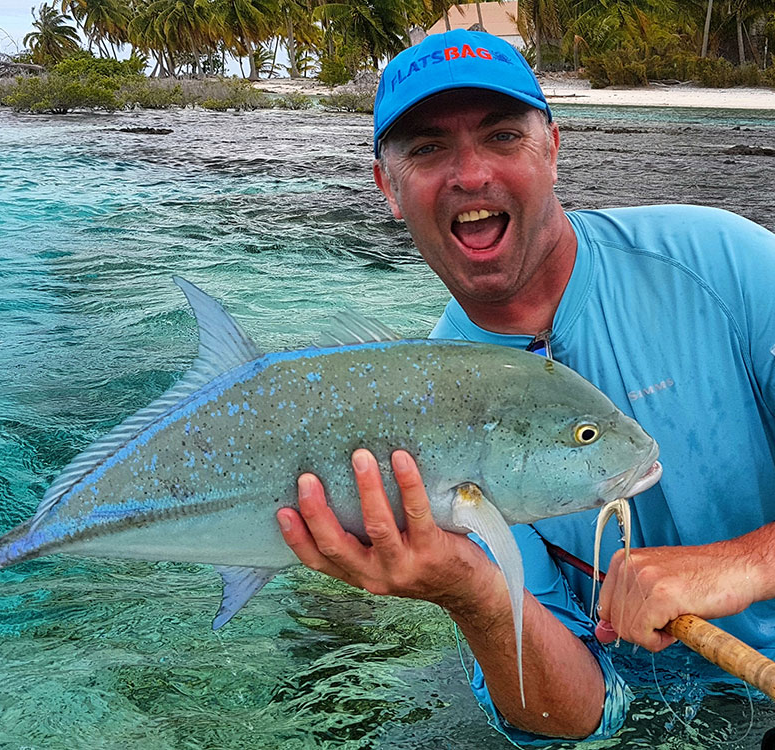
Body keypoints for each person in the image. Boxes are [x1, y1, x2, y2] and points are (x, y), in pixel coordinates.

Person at [275, 28, 775, 743]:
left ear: (553, 149)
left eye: (503, 136)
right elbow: (575, 720)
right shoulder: (419, 426)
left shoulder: (729, 266)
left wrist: (739, 565)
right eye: (426, 148)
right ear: (387, 187)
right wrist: (469, 590)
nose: (470, 174)